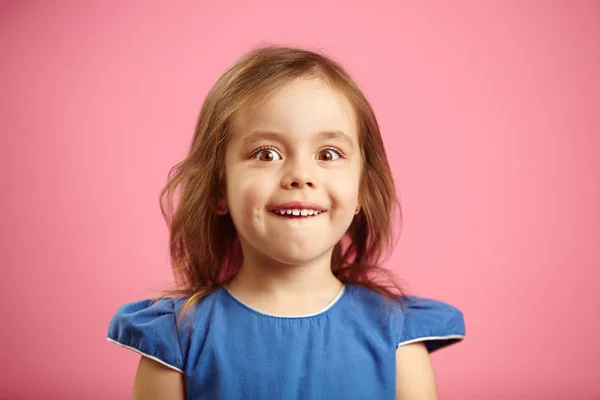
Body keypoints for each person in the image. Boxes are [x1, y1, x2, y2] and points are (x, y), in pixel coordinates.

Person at [107, 45, 465, 399]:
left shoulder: (398, 338)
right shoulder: (175, 340)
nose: (300, 175)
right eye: (266, 154)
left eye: (328, 154)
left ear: (362, 191)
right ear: (220, 188)